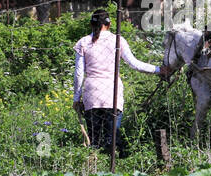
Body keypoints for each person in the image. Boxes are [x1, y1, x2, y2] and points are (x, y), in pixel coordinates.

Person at [72, 8, 171, 156]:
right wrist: (159, 70)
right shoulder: (117, 40)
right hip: (112, 94)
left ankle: (94, 169)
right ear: (109, 24)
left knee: (95, 141)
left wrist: (76, 98)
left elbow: (79, 74)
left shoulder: (83, 42)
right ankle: (117, 165)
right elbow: (135, 64)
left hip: (91, 95)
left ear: (91, 24)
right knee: (113, 137)